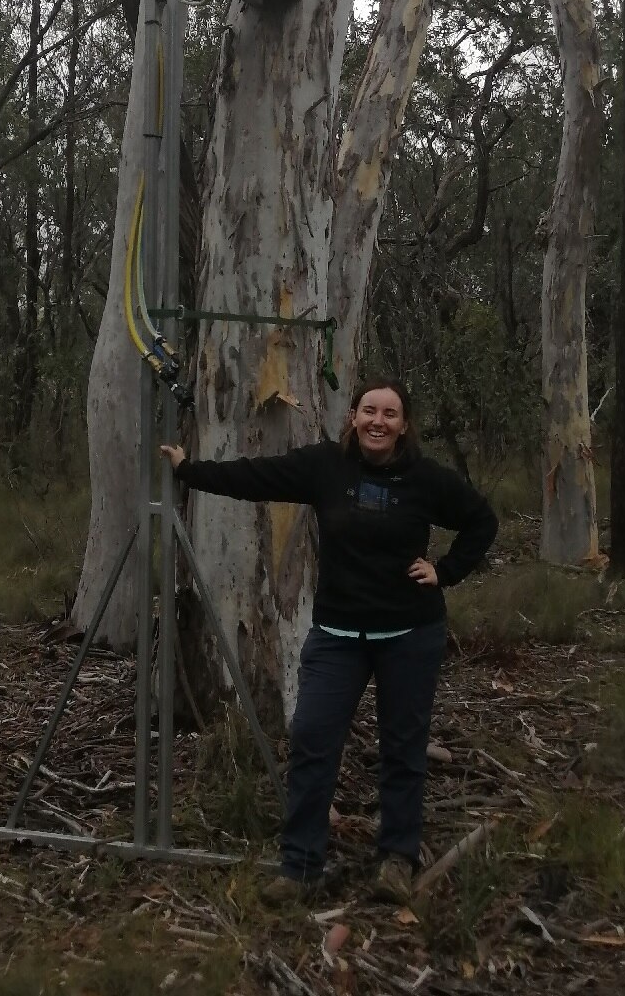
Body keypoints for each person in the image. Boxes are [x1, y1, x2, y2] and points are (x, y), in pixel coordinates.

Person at [158, 378, 497, 908]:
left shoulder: (427, 480)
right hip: (339, 636)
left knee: (403, 749)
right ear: (354, 418)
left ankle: (397, 859)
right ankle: (301, 866)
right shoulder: (325, 467)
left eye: (390, 413)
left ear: (404, 425)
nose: (378, 422)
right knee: (314, 740)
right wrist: (189, 469)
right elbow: (256, 476)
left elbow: (481, 520)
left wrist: (445, 570)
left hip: (409, 635)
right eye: (369, 411)